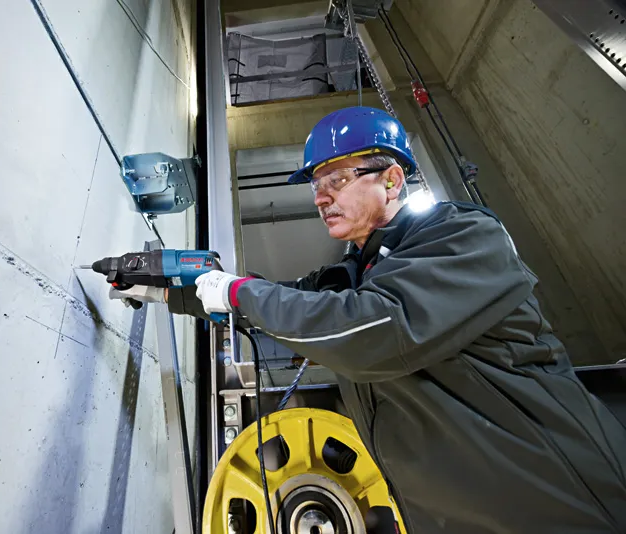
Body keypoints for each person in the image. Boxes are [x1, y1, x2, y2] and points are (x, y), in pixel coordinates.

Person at [116, 107, 626, 533]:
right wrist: (171, 293)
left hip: (562, 504)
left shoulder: (462, 237)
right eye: (316, 185)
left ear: (392, 179)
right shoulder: (356, 273)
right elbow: (286, 304)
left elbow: (375, 328)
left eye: (337, 179)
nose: (320, 197)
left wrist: (237, 291)